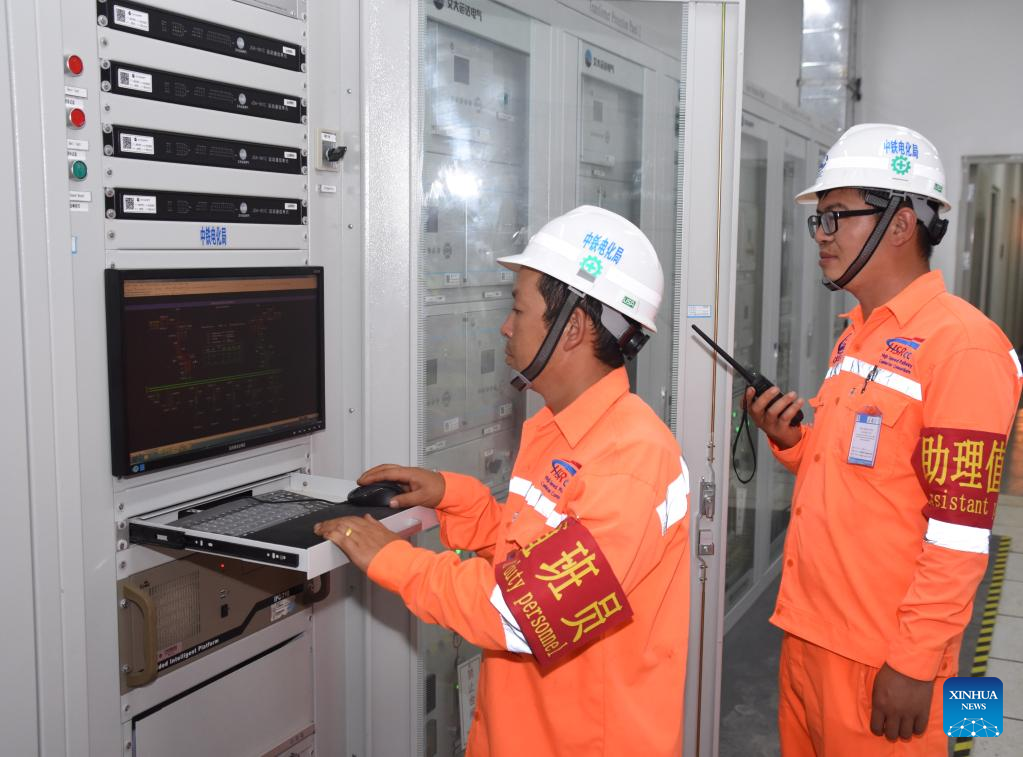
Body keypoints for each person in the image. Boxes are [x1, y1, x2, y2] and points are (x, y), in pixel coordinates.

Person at [315, 206, 691, 756]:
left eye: (518, 308)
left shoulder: (630, 462)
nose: (506, 326)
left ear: (573, 329)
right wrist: (458, 500)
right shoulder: (562, 429)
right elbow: (539, 555)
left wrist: (395, 561)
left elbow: (525, 612)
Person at [744, 123, 1023, 753]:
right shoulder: (858, 333)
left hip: (884, 656)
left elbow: (959, 533)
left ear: (900, 224)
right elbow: (862, 470)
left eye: (836, 217)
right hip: (810, 633)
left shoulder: (964, 348)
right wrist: (792, 441)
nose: (821, 234)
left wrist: (914, 662)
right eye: (819, 219)